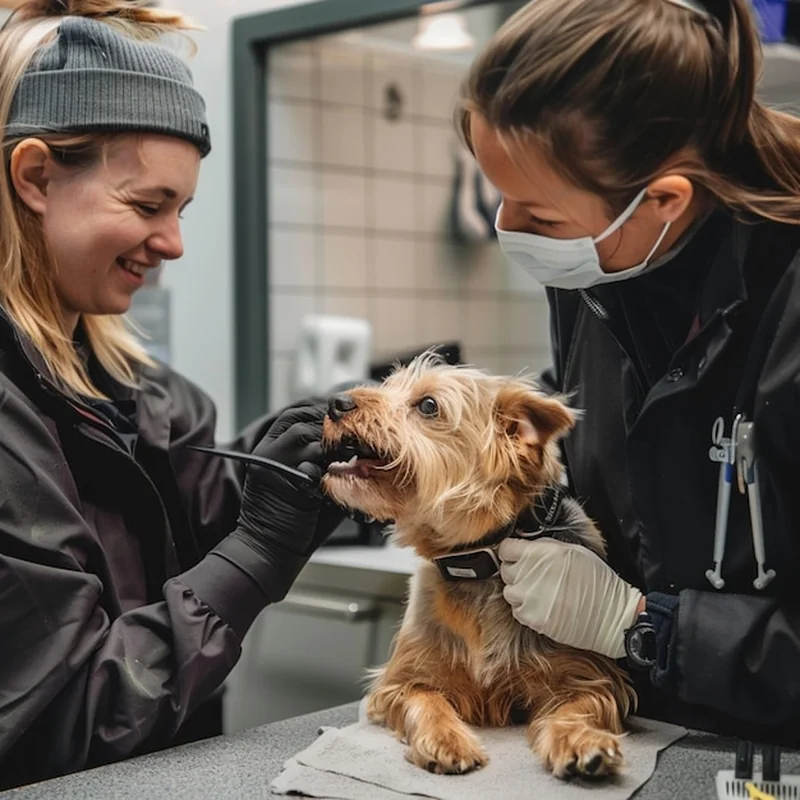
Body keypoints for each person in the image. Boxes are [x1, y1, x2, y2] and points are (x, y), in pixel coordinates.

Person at [0, 0, 343, 789]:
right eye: (148, 205)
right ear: (36, 176)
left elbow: (180, 535)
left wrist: (296, 473)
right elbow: (72, 715)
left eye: (181, 209)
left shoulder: (135, 387)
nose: (174, 243)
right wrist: (257, 556)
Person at [460, 0, 800, 746]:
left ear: (665, 200)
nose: (508, 229)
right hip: (649, 738)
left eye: (540, 216)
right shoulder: (599, 277)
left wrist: (643, 626)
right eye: (499, 198)